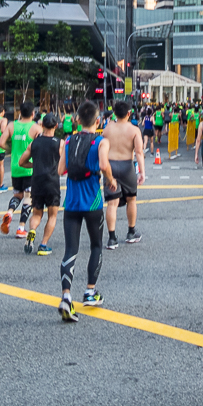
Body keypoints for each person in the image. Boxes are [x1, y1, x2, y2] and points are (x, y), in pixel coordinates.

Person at [57, 101, 116, 322]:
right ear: (98, 121)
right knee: (96, 245)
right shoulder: (101, 142)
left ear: (78, 120)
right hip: (92, 203)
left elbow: (61, 169)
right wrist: (111, 180)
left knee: (70, 248)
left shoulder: (70, 140)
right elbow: (103, 164)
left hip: (71, 202)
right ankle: (90, 291)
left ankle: (66, 295)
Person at [102, 101, 146, 249]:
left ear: (114, 113)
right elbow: (139, 152)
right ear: (129, 113)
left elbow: (101, 148)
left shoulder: (107, 129)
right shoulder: (134, 130)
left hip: (110, 165)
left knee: (112, 203)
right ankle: (131, 232)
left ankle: (112, 238)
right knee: (131, 199)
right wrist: (141, 172)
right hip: (127, 166)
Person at [19, 114, 61, 254]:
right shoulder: (59, 143)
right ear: (56, 126)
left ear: (42, 125)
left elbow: (21, 162)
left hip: (36, 181)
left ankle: (31, 231)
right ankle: (43, 245)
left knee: (37, 214)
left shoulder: (34, 143)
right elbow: (64, 164)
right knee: (52, 215)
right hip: (52, 182)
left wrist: (34, 165)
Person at [0, 103, 41, 236]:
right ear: (33, 114)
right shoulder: (36, 128)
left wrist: (10, 149)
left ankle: (9, 212)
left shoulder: (12, 125)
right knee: (28, 197)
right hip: (29, 167)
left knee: (17, 195)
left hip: (15, 166)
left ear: (20, 112)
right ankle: (21, 228)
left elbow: (1, 142)